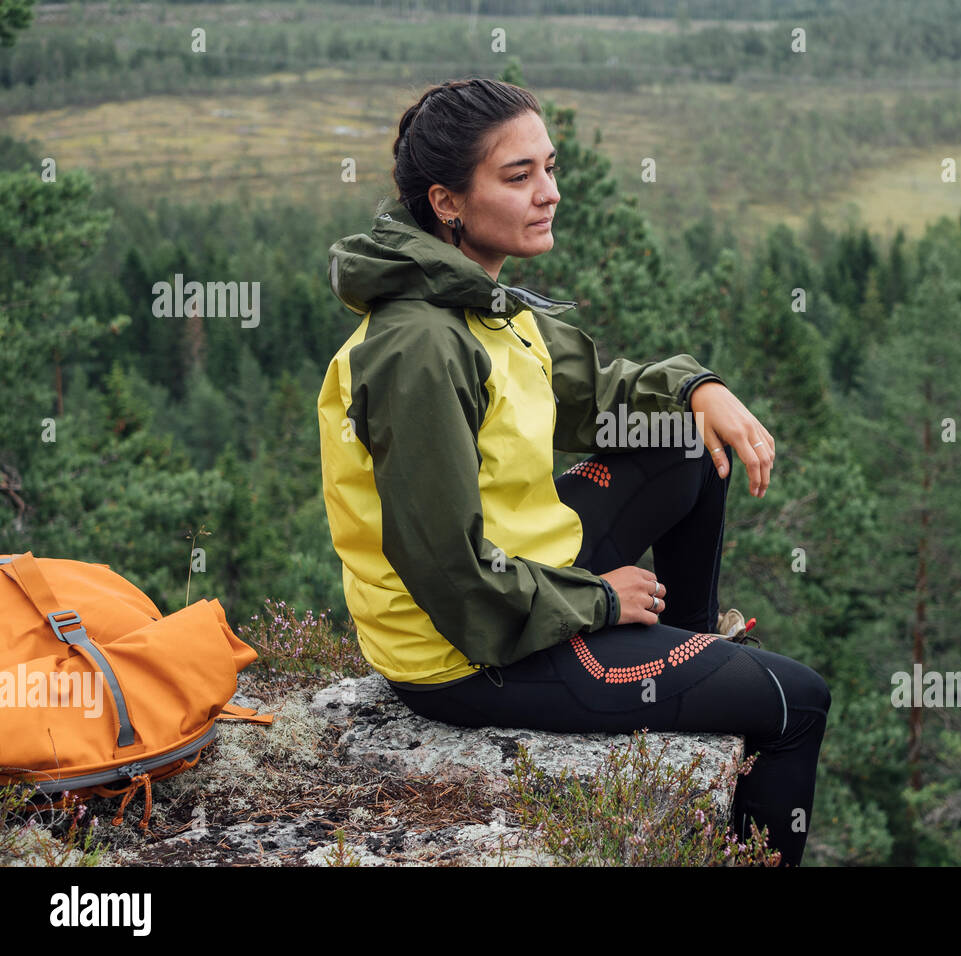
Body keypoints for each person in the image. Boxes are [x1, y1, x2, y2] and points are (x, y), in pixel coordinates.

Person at [317, 78, 831, 866]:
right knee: (796, 701)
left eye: (549, 168)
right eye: (518, 177)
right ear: (447, 201)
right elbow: (450, 576)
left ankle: (684, 648)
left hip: (523, 575)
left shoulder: (480, 301)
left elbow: (602, 394)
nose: (549, 193)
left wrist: (700, 388)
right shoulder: (420, 347)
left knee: (683, 437)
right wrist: (598, 600)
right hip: (465, 649)